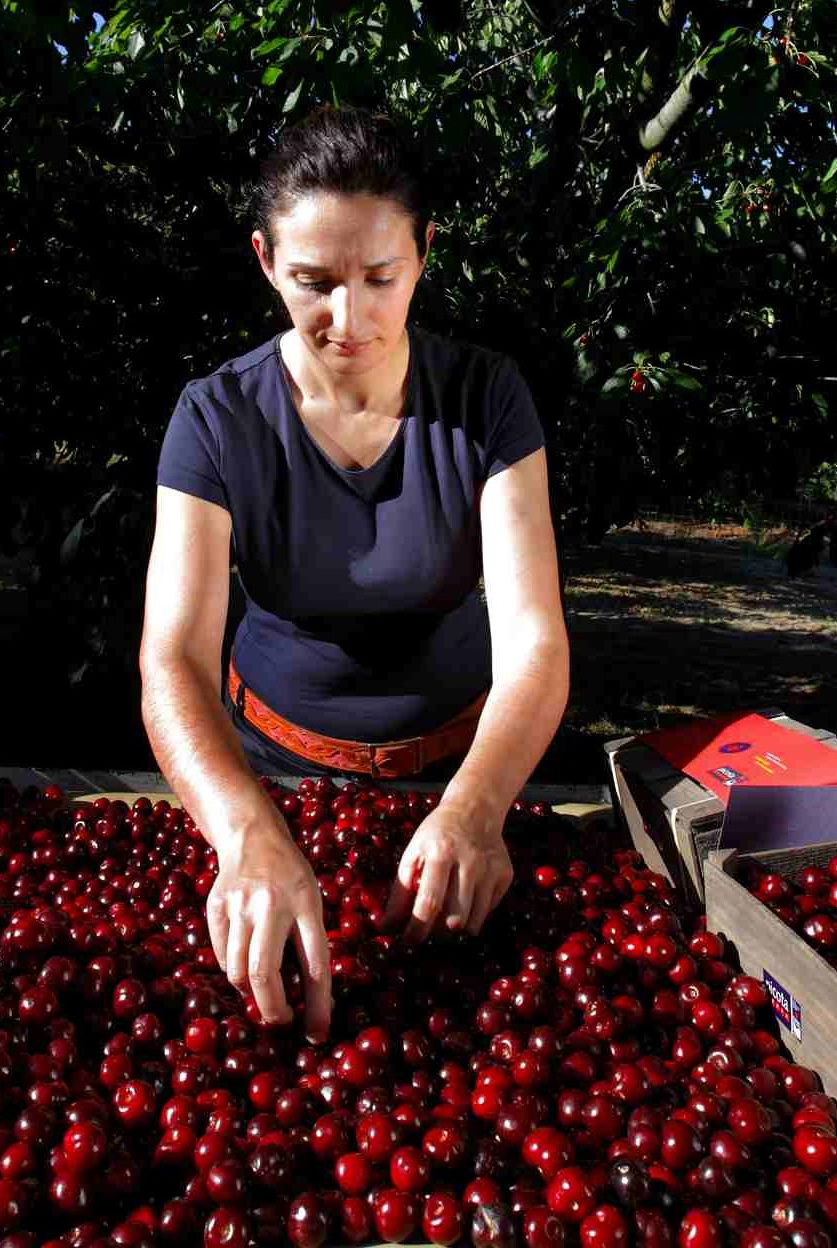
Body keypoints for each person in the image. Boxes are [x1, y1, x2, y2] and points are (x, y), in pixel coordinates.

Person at [139, 107, 570, 1042]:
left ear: (424, 250)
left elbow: (533, 640)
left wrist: (475, 810)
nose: (350, 318)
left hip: (461, 785)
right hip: (271, 785)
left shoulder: (486, 399)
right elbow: (172, 657)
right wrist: (248, 834)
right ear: (263, 260)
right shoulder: (214, 418)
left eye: (381, 276)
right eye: (312, 282)